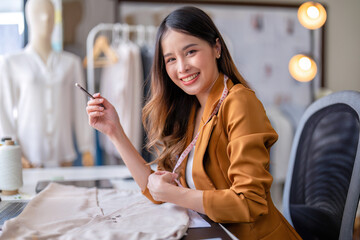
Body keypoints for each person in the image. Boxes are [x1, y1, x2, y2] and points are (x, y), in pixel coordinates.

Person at [86, 6, 302, 239]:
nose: (182, 67)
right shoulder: (190, 111)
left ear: (216, 48)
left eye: (190, 52)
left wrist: (174, 194)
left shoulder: (239, 102)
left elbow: (249, 202)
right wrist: (114, 131)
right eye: (171, 59)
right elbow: (155, 191)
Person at [0, 0, 93, 167]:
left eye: (50, 14)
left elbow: (80, 109)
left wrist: (86, 148)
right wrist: (12, 149)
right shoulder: (12, 62)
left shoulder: (71, 63)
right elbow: (4, 111)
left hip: (64, 154)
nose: (45, 19)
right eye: (38, 14)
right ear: (28, 17)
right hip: (29, 156)